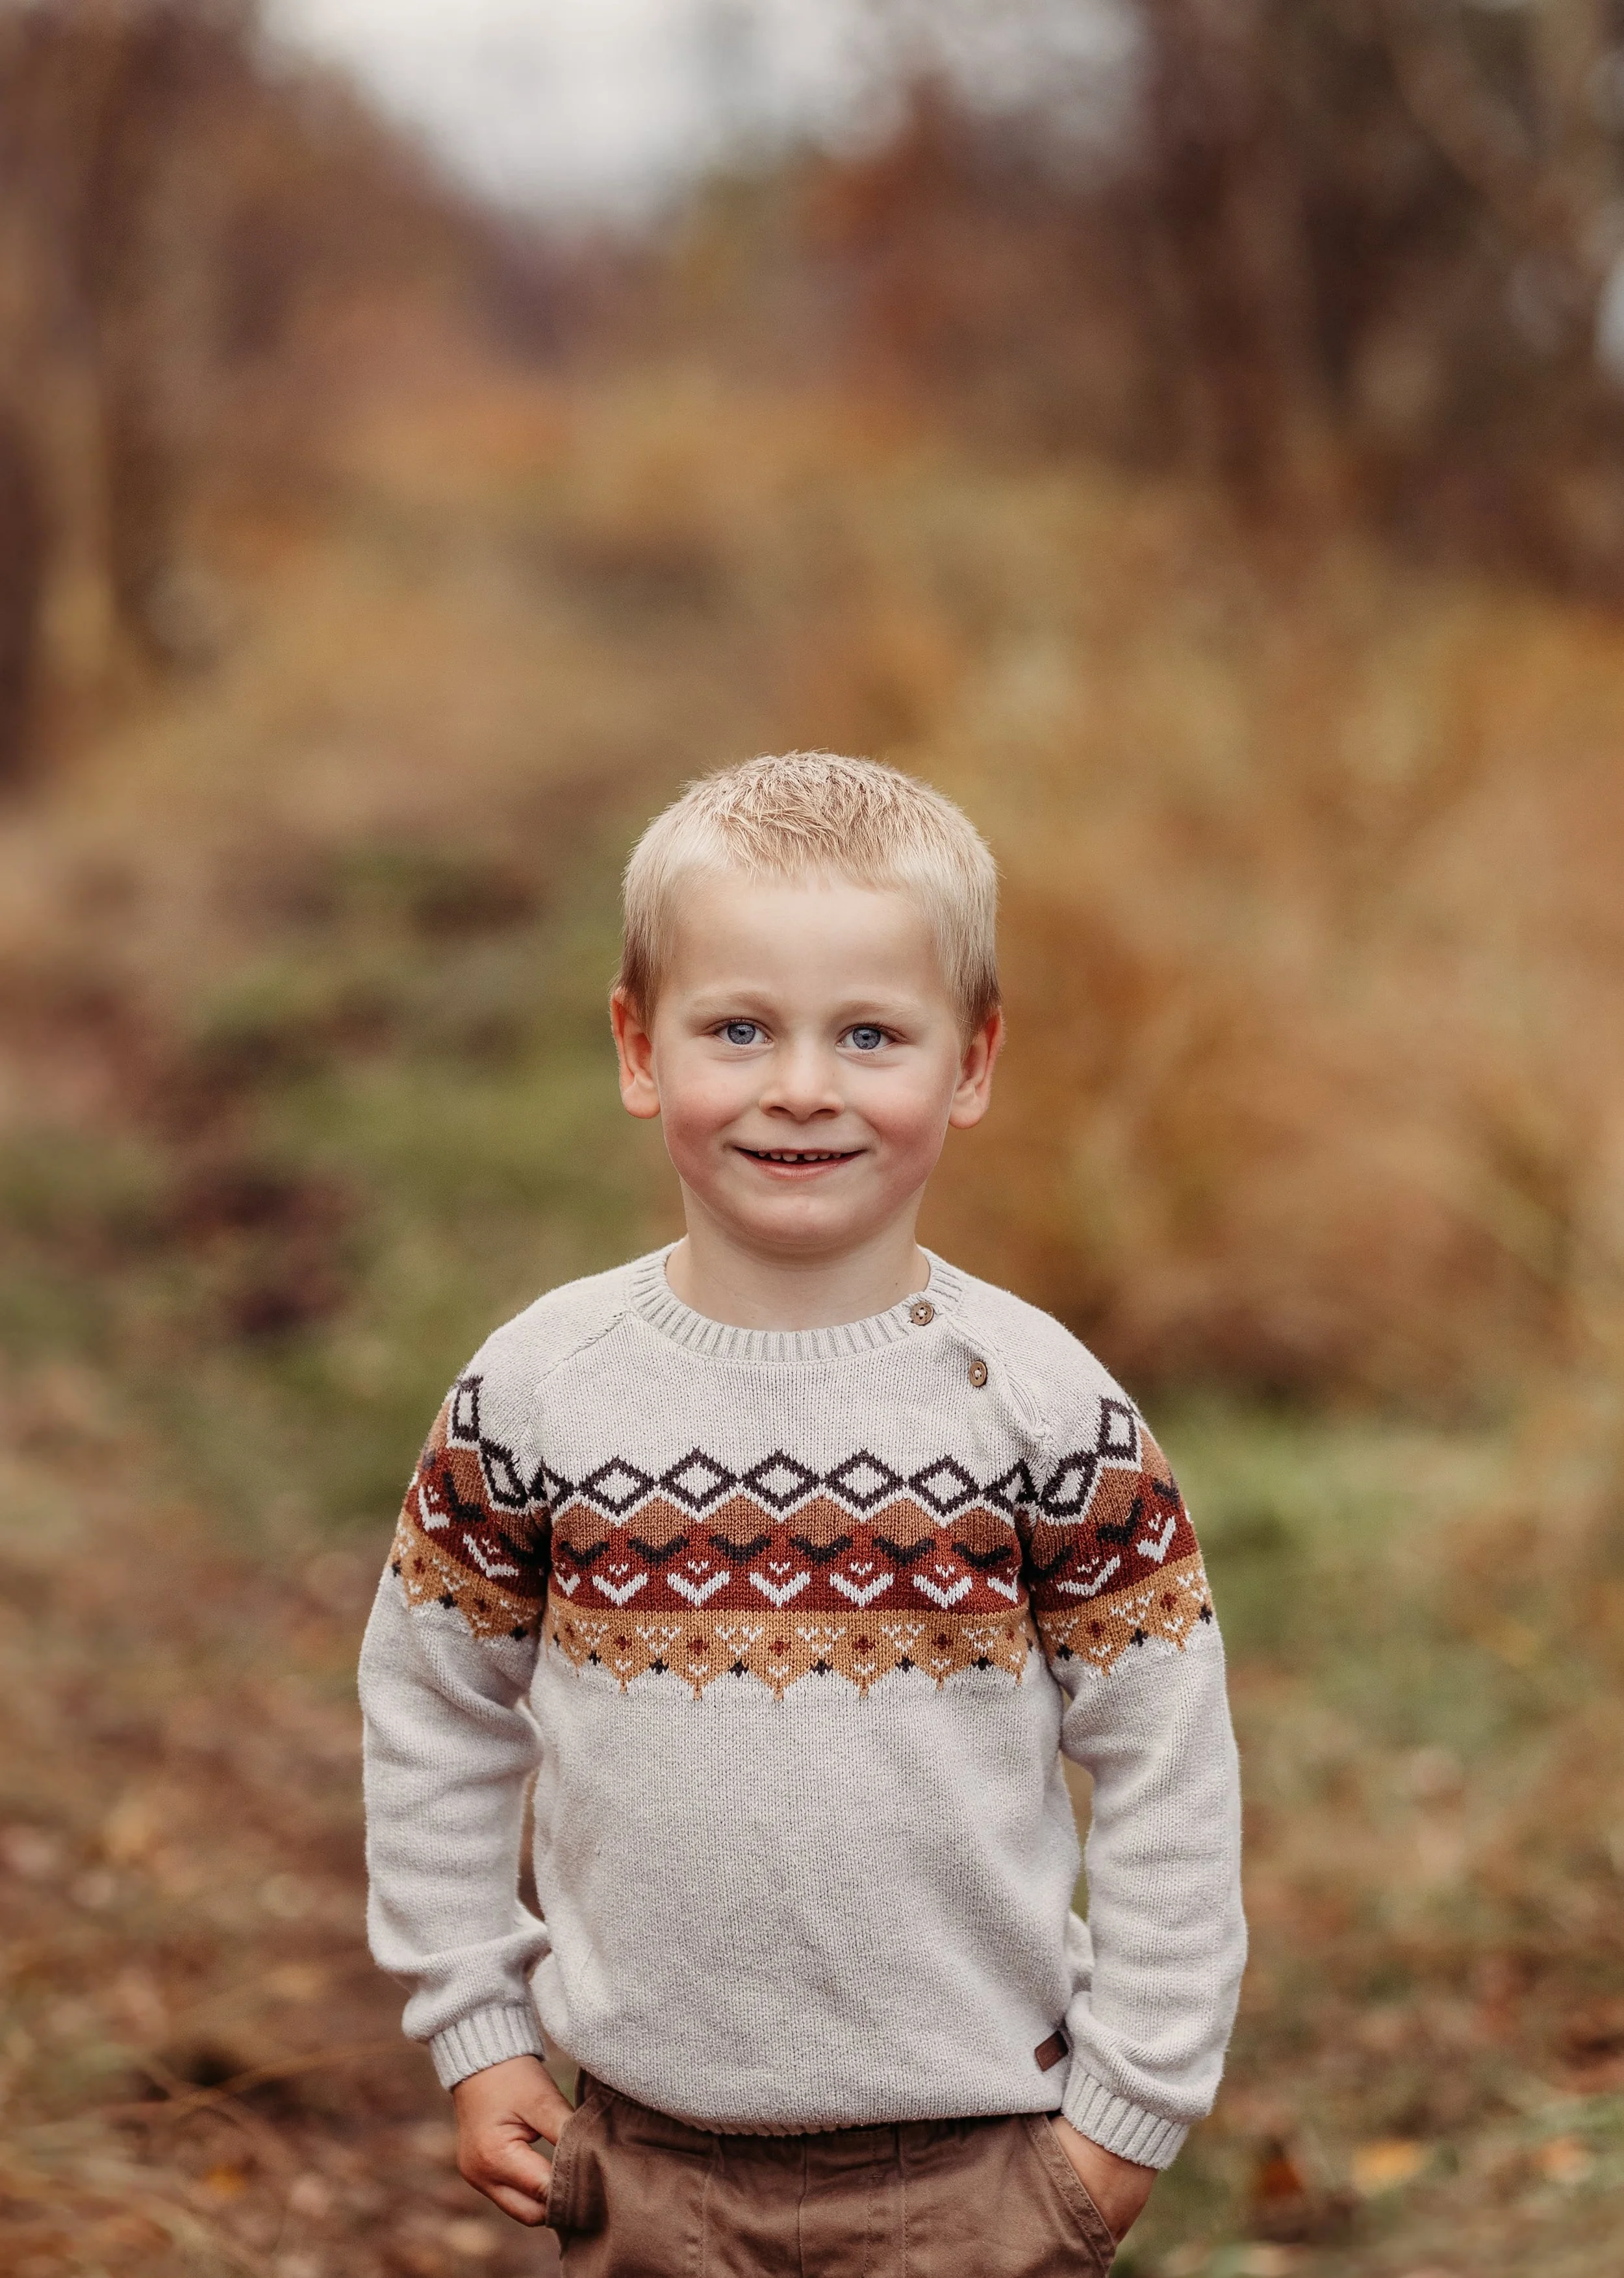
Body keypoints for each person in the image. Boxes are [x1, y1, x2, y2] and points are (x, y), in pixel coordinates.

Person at [360, 752, 1246, 2275]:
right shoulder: (536, 1394)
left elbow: (1165, 1761)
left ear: (969, 1063)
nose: (801, 1085)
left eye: (868, 1034)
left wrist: (1128, 2111)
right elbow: (434, 1710)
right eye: (739, 1027)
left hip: (980, 2157)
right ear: (641, 1049)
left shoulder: (1040, 1409)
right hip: (647, 2157)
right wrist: (477, 2022)